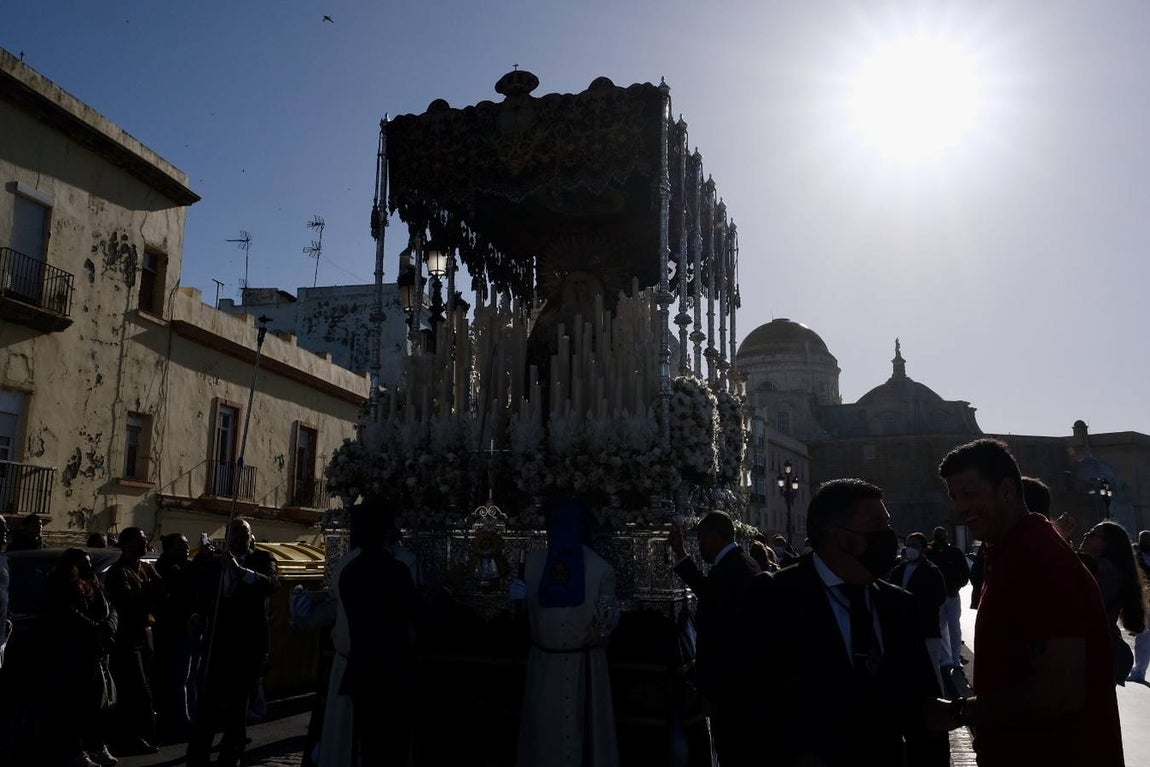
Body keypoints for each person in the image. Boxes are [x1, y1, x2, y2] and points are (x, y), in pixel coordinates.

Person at [928, 438, 1123, 766]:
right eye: (955, 497)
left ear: (1007, 489)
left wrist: (959, 712)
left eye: (970, 493)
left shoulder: (1038, 559)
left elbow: (1060, 691)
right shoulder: (1013, 553)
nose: (960, 508)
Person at [751, 479, 947, 767]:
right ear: (838, 535)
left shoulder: (899, 605)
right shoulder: (773, 599)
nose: (888, 537)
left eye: (887, 525)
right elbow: (750, 708)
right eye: (876, 526)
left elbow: (925, 710)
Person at [511, 499, 619, 767]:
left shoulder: (598, 569)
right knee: (544, 737)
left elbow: (606, 626)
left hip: (584, 668)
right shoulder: (534, 564)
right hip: (546, 666)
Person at [186, 519, 279, 767]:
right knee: (208, 705)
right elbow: (203, 596)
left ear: (251, 537)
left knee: (237, 708)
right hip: (217, 646)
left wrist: (239, 570)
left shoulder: (262, 559)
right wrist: (197, 615)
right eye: (234, 533)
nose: (238, 537)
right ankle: (197, 757)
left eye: (243, 533)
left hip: (247, 648)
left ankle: (230, 757)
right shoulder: (216, 564)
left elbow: (271, 583)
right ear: (227, 537)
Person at [669, 510, 760, 767]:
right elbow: (708, 592)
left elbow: (720, 637)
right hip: (739, 688)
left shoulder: (731, 570)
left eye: (701, 540)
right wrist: (680, 553)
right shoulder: (740, 563)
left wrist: (710, 691)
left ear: (712, 537)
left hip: (731, 691)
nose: (700, 546)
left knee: (732, 750)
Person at [340, 504, 422, 767]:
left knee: (369, 746)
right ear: (387, 533)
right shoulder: (397, 570)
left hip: (362, 671)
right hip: (393, 673)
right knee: (393, 748)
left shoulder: (349, 571)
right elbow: (418, 613)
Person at [44, 548, 119, 767]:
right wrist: (96, 630)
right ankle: (76, 752)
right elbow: (68, 614)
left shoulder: (94, 583)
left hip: (96, 651)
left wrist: (108, 628)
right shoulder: (61, 585)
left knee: (96, 704)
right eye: (84, 562)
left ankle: (97, 746)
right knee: (74, 705)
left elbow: (109, 609)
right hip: (74, 651)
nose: (89, 565)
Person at [104, 527, 164, 755]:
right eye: (140, 540)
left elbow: (161, 591)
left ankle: (141, 734)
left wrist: (149, 594)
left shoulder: (146, 568)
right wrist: (148, 594)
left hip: (145, 632)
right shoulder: (118, 572)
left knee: (145, 683)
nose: (144, 543)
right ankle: (132, 736)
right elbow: (128, 600)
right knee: (136, 688)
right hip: (127, 635)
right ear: (127, 543)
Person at [1081, 520, 1147, 684]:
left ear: (1107, 544)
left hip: (1095, 651)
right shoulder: (1110, 569)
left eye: (1093, 534)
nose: (1086, 535)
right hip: (1101, 649)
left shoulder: (1104, 570)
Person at [889, 532, 949, 692]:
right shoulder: (898, 570)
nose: (910, 549)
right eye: (908, 545)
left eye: (914, 545)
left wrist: (917, 603)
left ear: (923, 548)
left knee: (933, 671)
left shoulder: (932, 571)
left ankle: (940, 702)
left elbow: (940, 597)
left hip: (927, 630)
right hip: (904, 630)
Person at [152, 533, 196, 739]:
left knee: (186, 677)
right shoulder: (165, 568)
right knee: (177, 677)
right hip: (172, 629)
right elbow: (178, 585)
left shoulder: (182, 566)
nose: (187, 549)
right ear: (170, 548)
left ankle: (184, 716)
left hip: (184, 628)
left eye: (187, 545)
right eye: (182, 545)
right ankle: (179, 720)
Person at [925, 525, 969, 673]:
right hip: (937, 597)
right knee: (942, 628)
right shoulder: (929, 553)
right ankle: (947, 659)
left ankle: (955, 659)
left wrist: (956, 587)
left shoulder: (954, 553)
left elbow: (965, 573)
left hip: (952, 595)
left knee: (953, 627)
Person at [1130, 530, 1150, 683]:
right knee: (1143, 636)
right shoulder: (1137, 557)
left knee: (1143, 636)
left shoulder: (1138, 557)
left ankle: (1139, 670)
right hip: (1144, 600)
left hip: (1145, 600)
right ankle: (1139, 671)